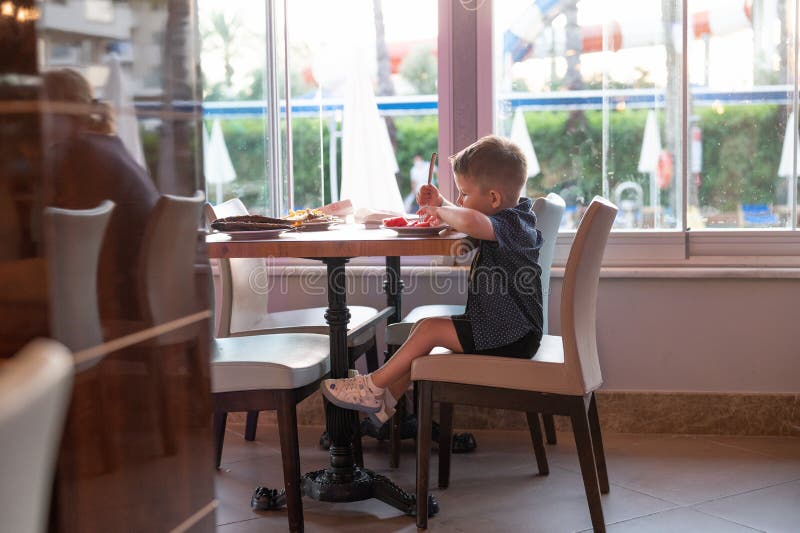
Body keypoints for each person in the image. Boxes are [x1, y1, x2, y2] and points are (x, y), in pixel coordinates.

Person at [322, 135, 544, 423]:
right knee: (423, 328)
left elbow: (471, 220)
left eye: (464, 193)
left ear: (493, 198)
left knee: (429, 331)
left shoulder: (513, 225)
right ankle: (385, 402)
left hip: (510, 335)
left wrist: (440, 211)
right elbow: (473, 218)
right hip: (503, 327)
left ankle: (370, 387)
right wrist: (442, 203)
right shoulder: (511, 217)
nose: (460, 201)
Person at [42, 68, 159, 321]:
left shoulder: (77, 153)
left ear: (61, 111)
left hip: (116, 300)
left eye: (39, 111)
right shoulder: (108, 144)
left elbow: (64, 242)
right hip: (137, 295)